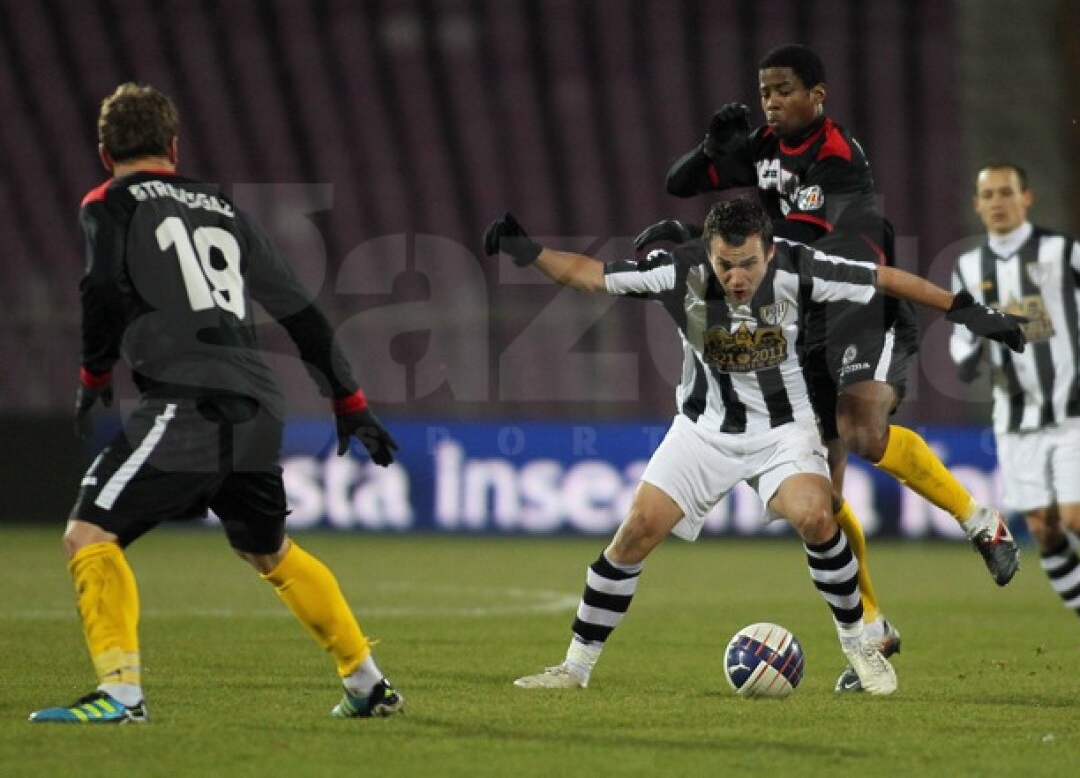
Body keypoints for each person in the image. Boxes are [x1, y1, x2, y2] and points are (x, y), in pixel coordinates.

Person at [483, 196, 1026, 695]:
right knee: (635, 532)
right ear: (708, 252)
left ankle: (860, 644)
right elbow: (590, 275)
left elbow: (884, 278)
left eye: (747, 264)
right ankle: (574, 667)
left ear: (769, 251)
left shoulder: (800, 267)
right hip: (703, 430)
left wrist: (967, 311)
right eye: (725, 265)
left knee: (817, 516)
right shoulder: (678, 271)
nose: (737, 277)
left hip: (782, 430)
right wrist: (528, 252)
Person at [638, 42, 1021, 690]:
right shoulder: (764, 146)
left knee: (862, 430)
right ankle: (872, 628)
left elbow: (805, 246)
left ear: (818, 96)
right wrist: (709, 151)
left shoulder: (836, 155)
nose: (771, 102)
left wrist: (964, 310)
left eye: (784, 90)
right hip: (807, 321)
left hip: (862, 305)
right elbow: (680, 183)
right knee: (822, 498)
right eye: (765, 91)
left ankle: (980, 521)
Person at [29, 83, 403, 724]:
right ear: (174, 148)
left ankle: (121, 696)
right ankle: (367, 684)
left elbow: (100, 288)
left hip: (190, 399)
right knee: (269, 551)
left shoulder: (108, 201)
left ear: (105, 155)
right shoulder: (223, 208)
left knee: (88, 534)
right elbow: (300, 310)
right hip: (257, 401)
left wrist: (94, 375)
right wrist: (350, 400)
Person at [950, 162, 1080, 651]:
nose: (997, 202)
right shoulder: (968, 267)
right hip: (1013, 418)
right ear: (976, 205)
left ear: (1027, 198)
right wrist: (966, 355)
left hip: (1070, 409)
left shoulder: (1061, 251)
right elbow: (960, 333)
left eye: (1006, 192)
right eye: (988, 195)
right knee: (1043, 527)